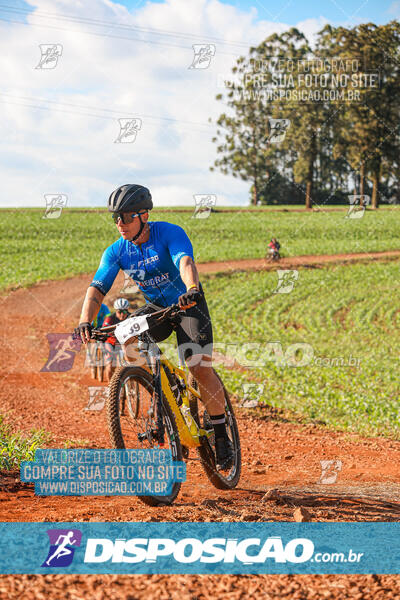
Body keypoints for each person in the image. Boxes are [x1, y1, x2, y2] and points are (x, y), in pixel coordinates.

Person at [75, 184, 233, 470]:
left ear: (144, 215)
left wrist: (192, 288)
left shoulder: (169, 233)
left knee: (198, 366)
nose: (120, 224)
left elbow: (184, 261)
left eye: (125, 217)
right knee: (127, 337)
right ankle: (158, 383)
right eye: (115, 218)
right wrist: (85, 320)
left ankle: (222, 436)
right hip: (157, 309)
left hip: (187, 304)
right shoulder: (116, 251)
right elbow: (97, 288)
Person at [101, 298, 130, 381]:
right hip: (111, 342)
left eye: (124, 312)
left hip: (124, 343)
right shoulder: (110, 319)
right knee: (110, 364)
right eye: (119, 312)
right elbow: (103, 330)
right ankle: (111, 386)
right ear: (116, 311)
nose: (122, 314)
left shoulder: (131, 317)